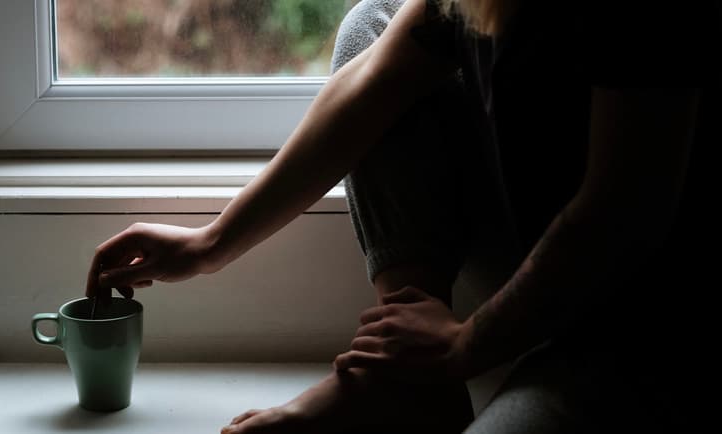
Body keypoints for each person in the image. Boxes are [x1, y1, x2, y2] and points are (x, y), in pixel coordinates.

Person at [87, 0, 720, 432]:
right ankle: (405, 385)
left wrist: (468, 343)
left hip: (643, 325)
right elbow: (375, 82)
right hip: (545, 227)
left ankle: (428, 372)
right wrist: (210, 244)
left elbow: (623, 209)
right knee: (374, 22)